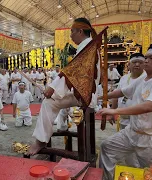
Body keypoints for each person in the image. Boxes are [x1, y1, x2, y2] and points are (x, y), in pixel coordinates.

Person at [97, 46, 152, 180]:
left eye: (151, 58)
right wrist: (98, 97)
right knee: (107, 148)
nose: (146, 61)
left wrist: (115, 110)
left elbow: (148, 106)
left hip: (151, 138)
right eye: (146, 57)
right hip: (131, 132)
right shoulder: (143, 79)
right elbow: (122, 91)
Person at [27, 17, 100, 155]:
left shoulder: (88, 47)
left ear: (80, 31)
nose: (71, 35)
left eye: (72, 31)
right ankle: (42, 139)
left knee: (49, 102)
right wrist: (54, 89)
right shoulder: (87, 46)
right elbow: (73, 71)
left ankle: (41, 141)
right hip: (82, 93)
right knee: (51, 100)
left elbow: (72, 71)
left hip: (85, 96)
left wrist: (53, 88)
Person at [111, 53, 146, 130]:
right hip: (124, 119)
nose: (137, 64)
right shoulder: (124, 78)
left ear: (144, 65)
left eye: (140, 62)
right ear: (129, 65)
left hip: (140, 121)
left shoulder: (148, 79)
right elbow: (116, 96)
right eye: (134, 62)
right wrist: (112, 112)